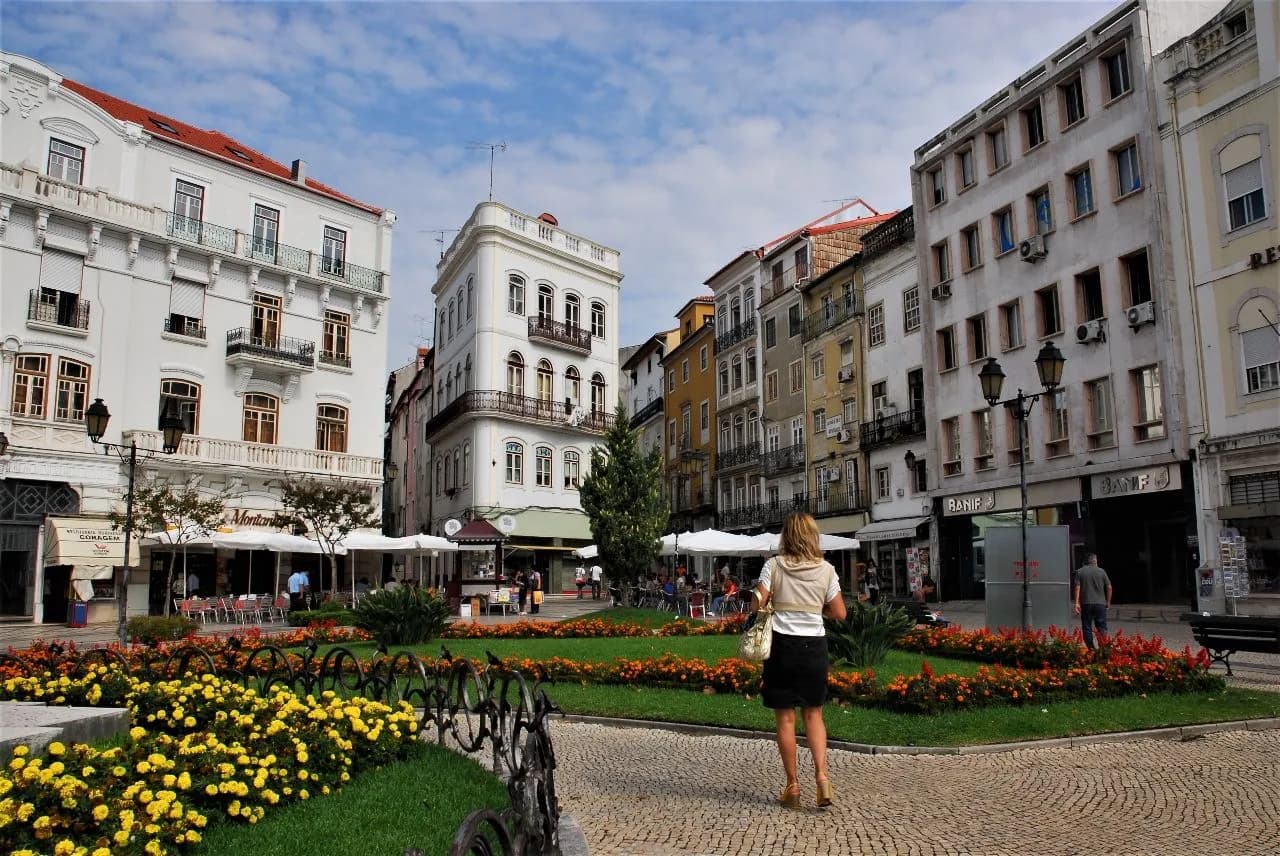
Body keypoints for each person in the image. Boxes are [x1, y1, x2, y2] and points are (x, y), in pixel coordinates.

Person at [751, 512, 846, 809]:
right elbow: (841, 613)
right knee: (814, 715)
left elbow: (757, 604)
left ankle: (792, 786)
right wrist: (819, 610)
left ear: (786, 536)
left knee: (786, 718)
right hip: (814, 647)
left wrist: (767, 598)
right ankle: (822, 779)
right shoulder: (827, 570)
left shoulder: (773, 566)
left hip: (782, 646)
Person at [1073, 553, 1113, 650]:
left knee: (1087, 627)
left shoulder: (1080, 571)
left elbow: (1077, 588)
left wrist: (1076, 603)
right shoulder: (1102, 571)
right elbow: (1109, 587)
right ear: (1095, 561)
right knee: (1101, 627)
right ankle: (1103, 649)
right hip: (1100, 604)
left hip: (1086, 604)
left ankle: (1091, 649)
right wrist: (1108, 602)